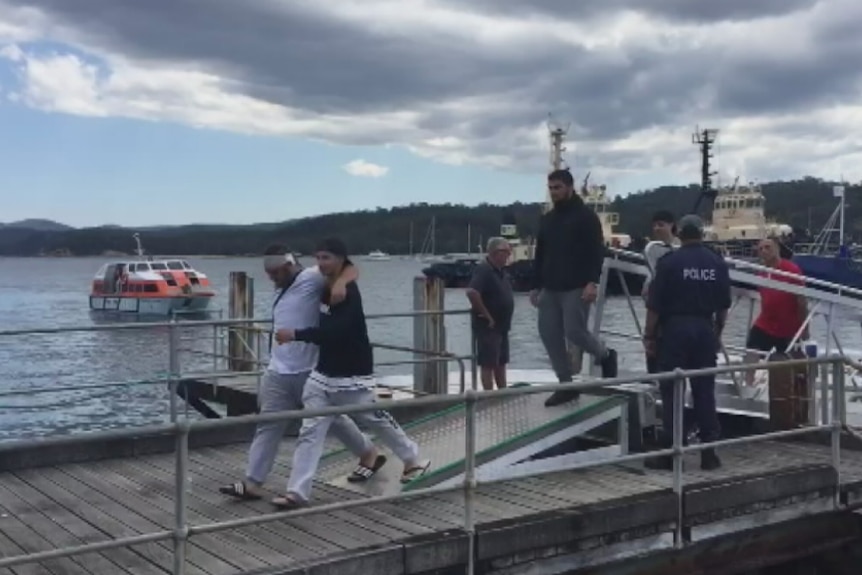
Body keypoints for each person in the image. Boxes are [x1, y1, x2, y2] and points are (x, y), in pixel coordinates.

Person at [271, 238, 430, 509]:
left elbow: (336, 332)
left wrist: (295, 334)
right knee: (310, 429)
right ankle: (297, 492)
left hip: (351, 370)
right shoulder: (326, 285)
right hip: (323, 373)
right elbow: (351, 269)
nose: (321, 263)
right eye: (318, 257)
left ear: (340, 259)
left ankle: (413, 458)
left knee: (373, 417)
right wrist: (341, 278)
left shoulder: (348, 293)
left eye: (327, 258)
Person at [219, 244, 384, 500]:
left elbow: (349, 268)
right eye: (269, 273)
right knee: (268, 424)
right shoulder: (283, 287)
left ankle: (368, 453)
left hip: (310, 368)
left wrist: (341, 285)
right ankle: (253, 482)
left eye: (275, 272)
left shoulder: (312, 277)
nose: (271, 278)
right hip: (278, 369)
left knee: (334, 419)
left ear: (288, 265)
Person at [643, 214, 731, 471]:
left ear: (679, 234)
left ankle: (673, 452)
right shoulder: (717, 263)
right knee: (705, 391)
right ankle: (709, 453)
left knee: (672, 391)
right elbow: (724, 306)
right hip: (705, 328)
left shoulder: (670, 263)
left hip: (675, 330)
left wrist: (649, 336)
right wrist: (717, 332)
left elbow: (654, 306)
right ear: (702, 234)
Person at [530, 169, 618, 407]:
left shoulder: (586, 217)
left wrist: (592, 282)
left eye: (557, 187)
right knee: (548, 334)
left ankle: (605, 355)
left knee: (574, 332)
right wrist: (535, 285)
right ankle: (566, 384)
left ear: (570, 187)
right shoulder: (547, 220)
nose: (554, 192)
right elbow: (541, 254)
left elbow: (595, 251)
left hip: (576, 285)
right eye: (551, 188)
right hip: (550, 286)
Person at [743, 237, 808, 386]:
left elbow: (802, 301)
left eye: (767, 247)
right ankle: (748, 383)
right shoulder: (761, 273)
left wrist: (804, 327)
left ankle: (791, 389)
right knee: (752, 346)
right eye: (760, 249)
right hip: (766, 322)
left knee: (788, 361)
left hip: (788, 326)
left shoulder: (791, 270)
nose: (763, 251)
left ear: (777, 249)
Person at [466, 237, 515, 390]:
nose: (508, 255)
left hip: (502, 326)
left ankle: (502, 392)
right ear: (496, 252)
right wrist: (487, 315)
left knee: (501, 362)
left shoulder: (501, 271)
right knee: (488, 363)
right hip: (489, 326)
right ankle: (489, 396)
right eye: (506, 252)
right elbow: (472, 292)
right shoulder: (484, 269)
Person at [641, 210, 679, 376]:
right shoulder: (652, 249)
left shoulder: (678, 250)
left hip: (670, 308)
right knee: (652, 347)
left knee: (665, 348)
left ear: (672, 226)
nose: (657, 229)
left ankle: (663, 381)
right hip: (654, 303)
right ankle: (653, 378)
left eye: (661, 225)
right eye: (654, 225)